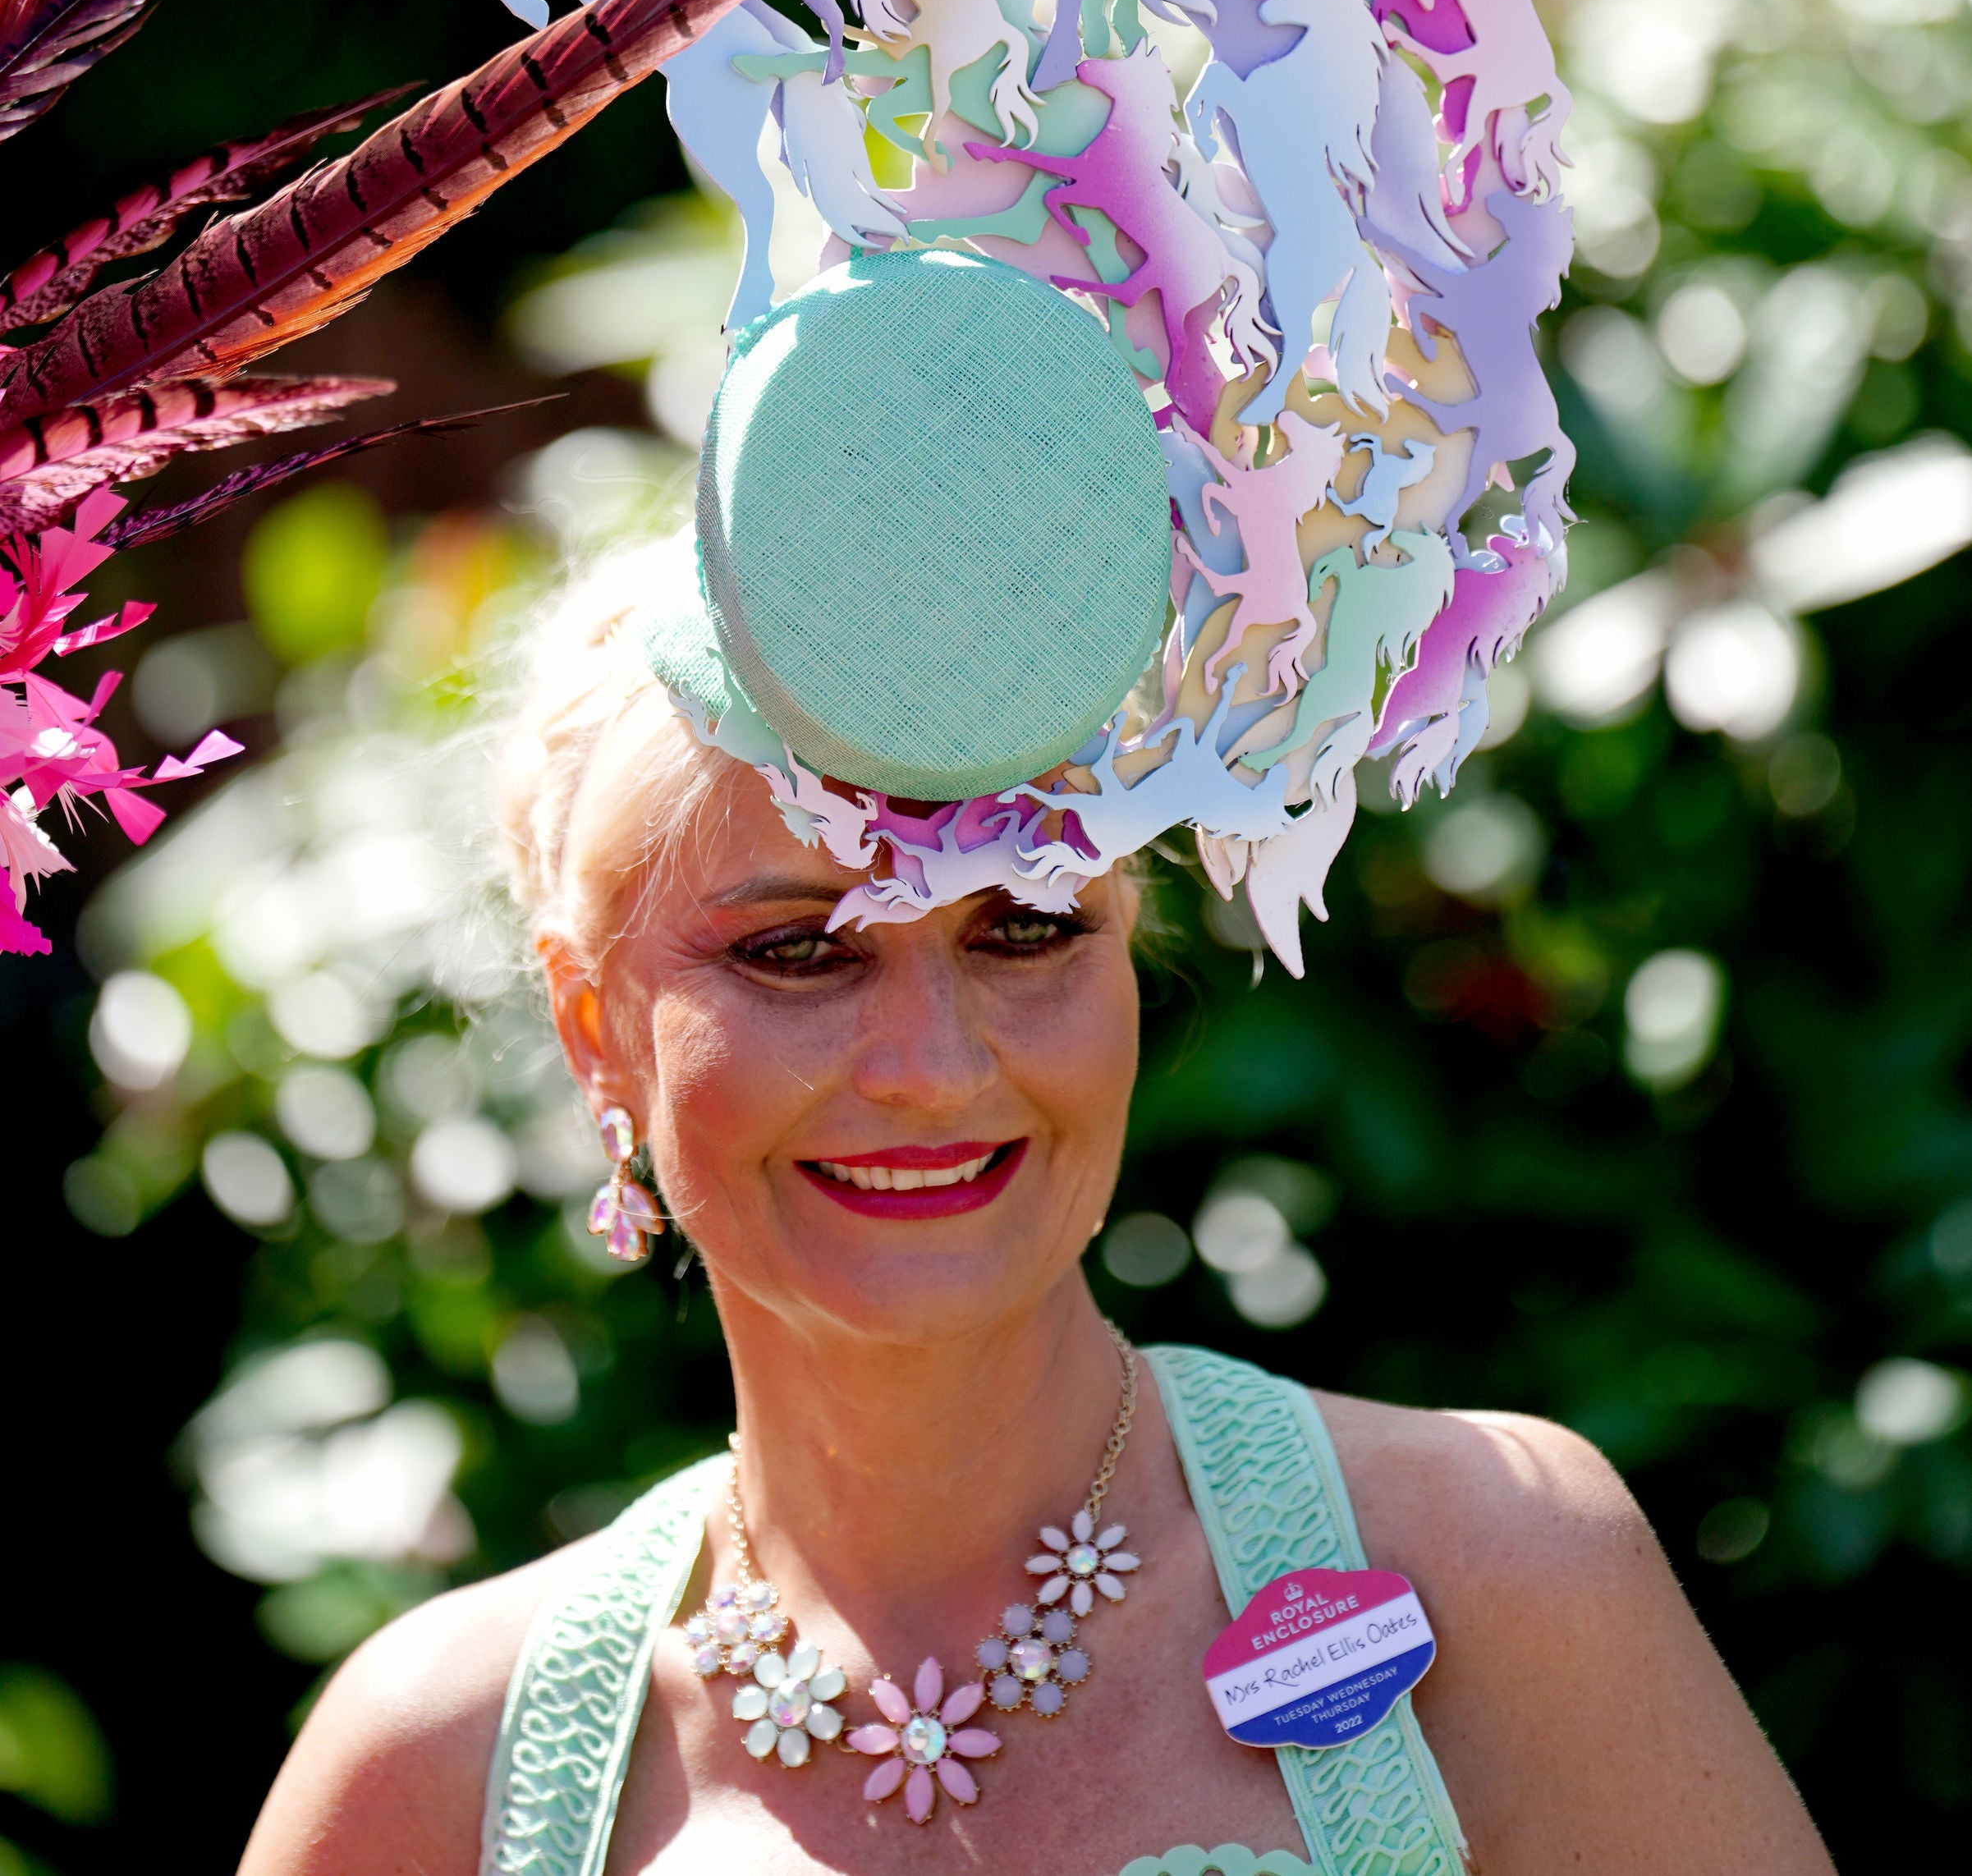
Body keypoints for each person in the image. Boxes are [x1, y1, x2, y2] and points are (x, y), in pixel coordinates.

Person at [238, 539, 1836, 1876]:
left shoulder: (1499, 1570)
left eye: (1024, 927)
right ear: (594, 1028)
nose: (932, 1067)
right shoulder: (439, 1773)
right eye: (801, 950)